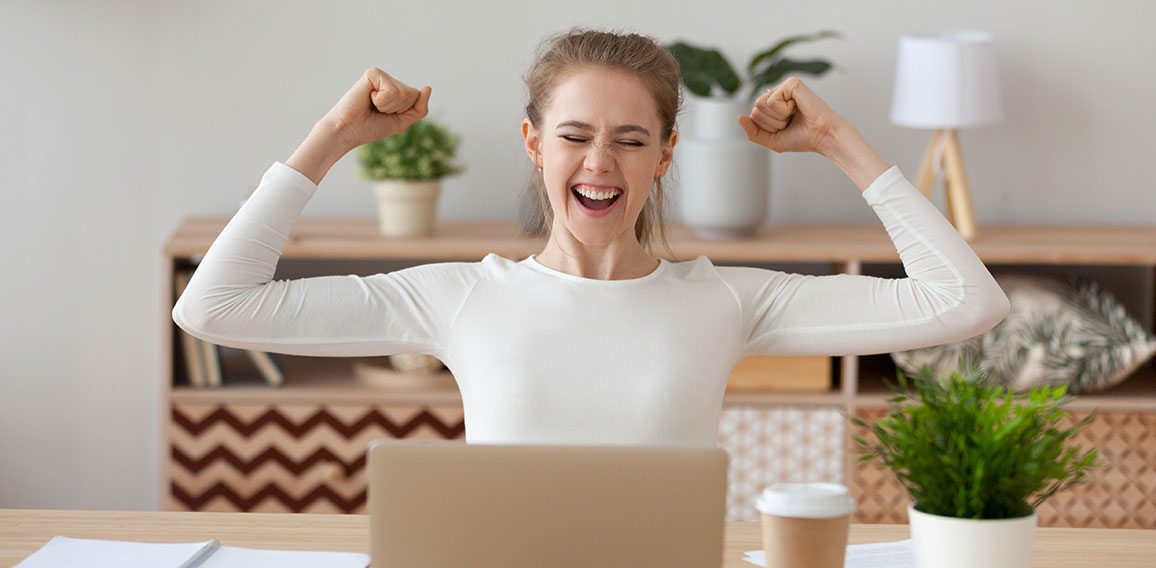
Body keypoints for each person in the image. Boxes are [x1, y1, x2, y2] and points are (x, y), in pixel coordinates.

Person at [173, 28, 1010, 448]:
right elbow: (213, 307)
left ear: (665, 155)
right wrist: (330, 135)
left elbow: (964, 301)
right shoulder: (460, 296)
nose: (599, 163)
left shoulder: (729, 299)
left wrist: (838, 143)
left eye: (631, 139)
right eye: (574, 135)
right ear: (535, 145)